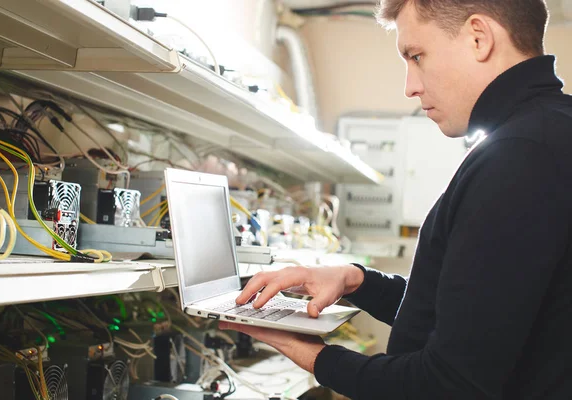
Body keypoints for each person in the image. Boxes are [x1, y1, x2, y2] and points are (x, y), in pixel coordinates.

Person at [220, 0, 572, 398]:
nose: (410, 86)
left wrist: (317, 358)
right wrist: (357, 281)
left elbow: (448, 386)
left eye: (417, 56)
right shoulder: (544, 135)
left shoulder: (522, 155)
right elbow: (474, 316)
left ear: (479, 38)